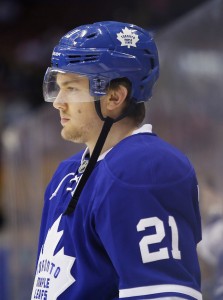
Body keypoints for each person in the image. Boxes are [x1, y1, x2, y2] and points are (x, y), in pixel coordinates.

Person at [31, 21, 202, 300]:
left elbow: (163, 294)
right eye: (58, 87)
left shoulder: (144, 168)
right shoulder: (68, 173)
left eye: (72, 88)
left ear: (114, 96)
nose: (58, 102)